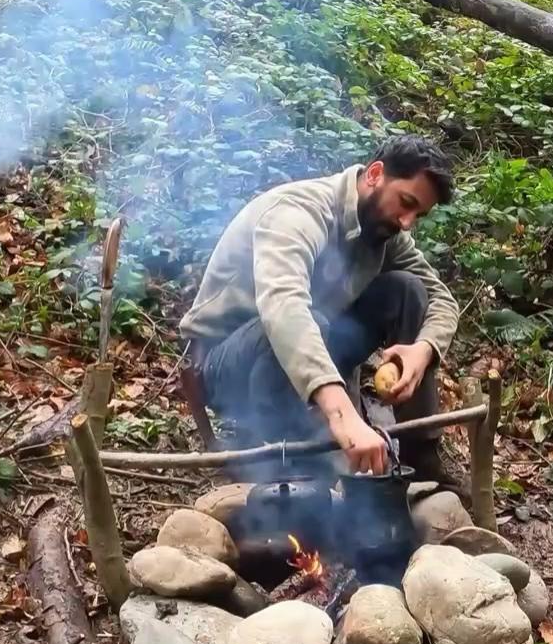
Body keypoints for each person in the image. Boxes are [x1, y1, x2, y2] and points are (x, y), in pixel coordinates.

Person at [180, 135, 463, 483]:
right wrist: (343, 414)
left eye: (418, 214)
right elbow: (284, 309)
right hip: (225, 365)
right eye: (405, 203)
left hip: (312, 351)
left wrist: (424, 350)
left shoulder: (385, 231)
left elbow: (441, 298)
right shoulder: (298, 213)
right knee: (307, 318)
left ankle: (421, 461)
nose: (407, 222)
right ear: (374, 174)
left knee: (408, 290)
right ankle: (288, 458)